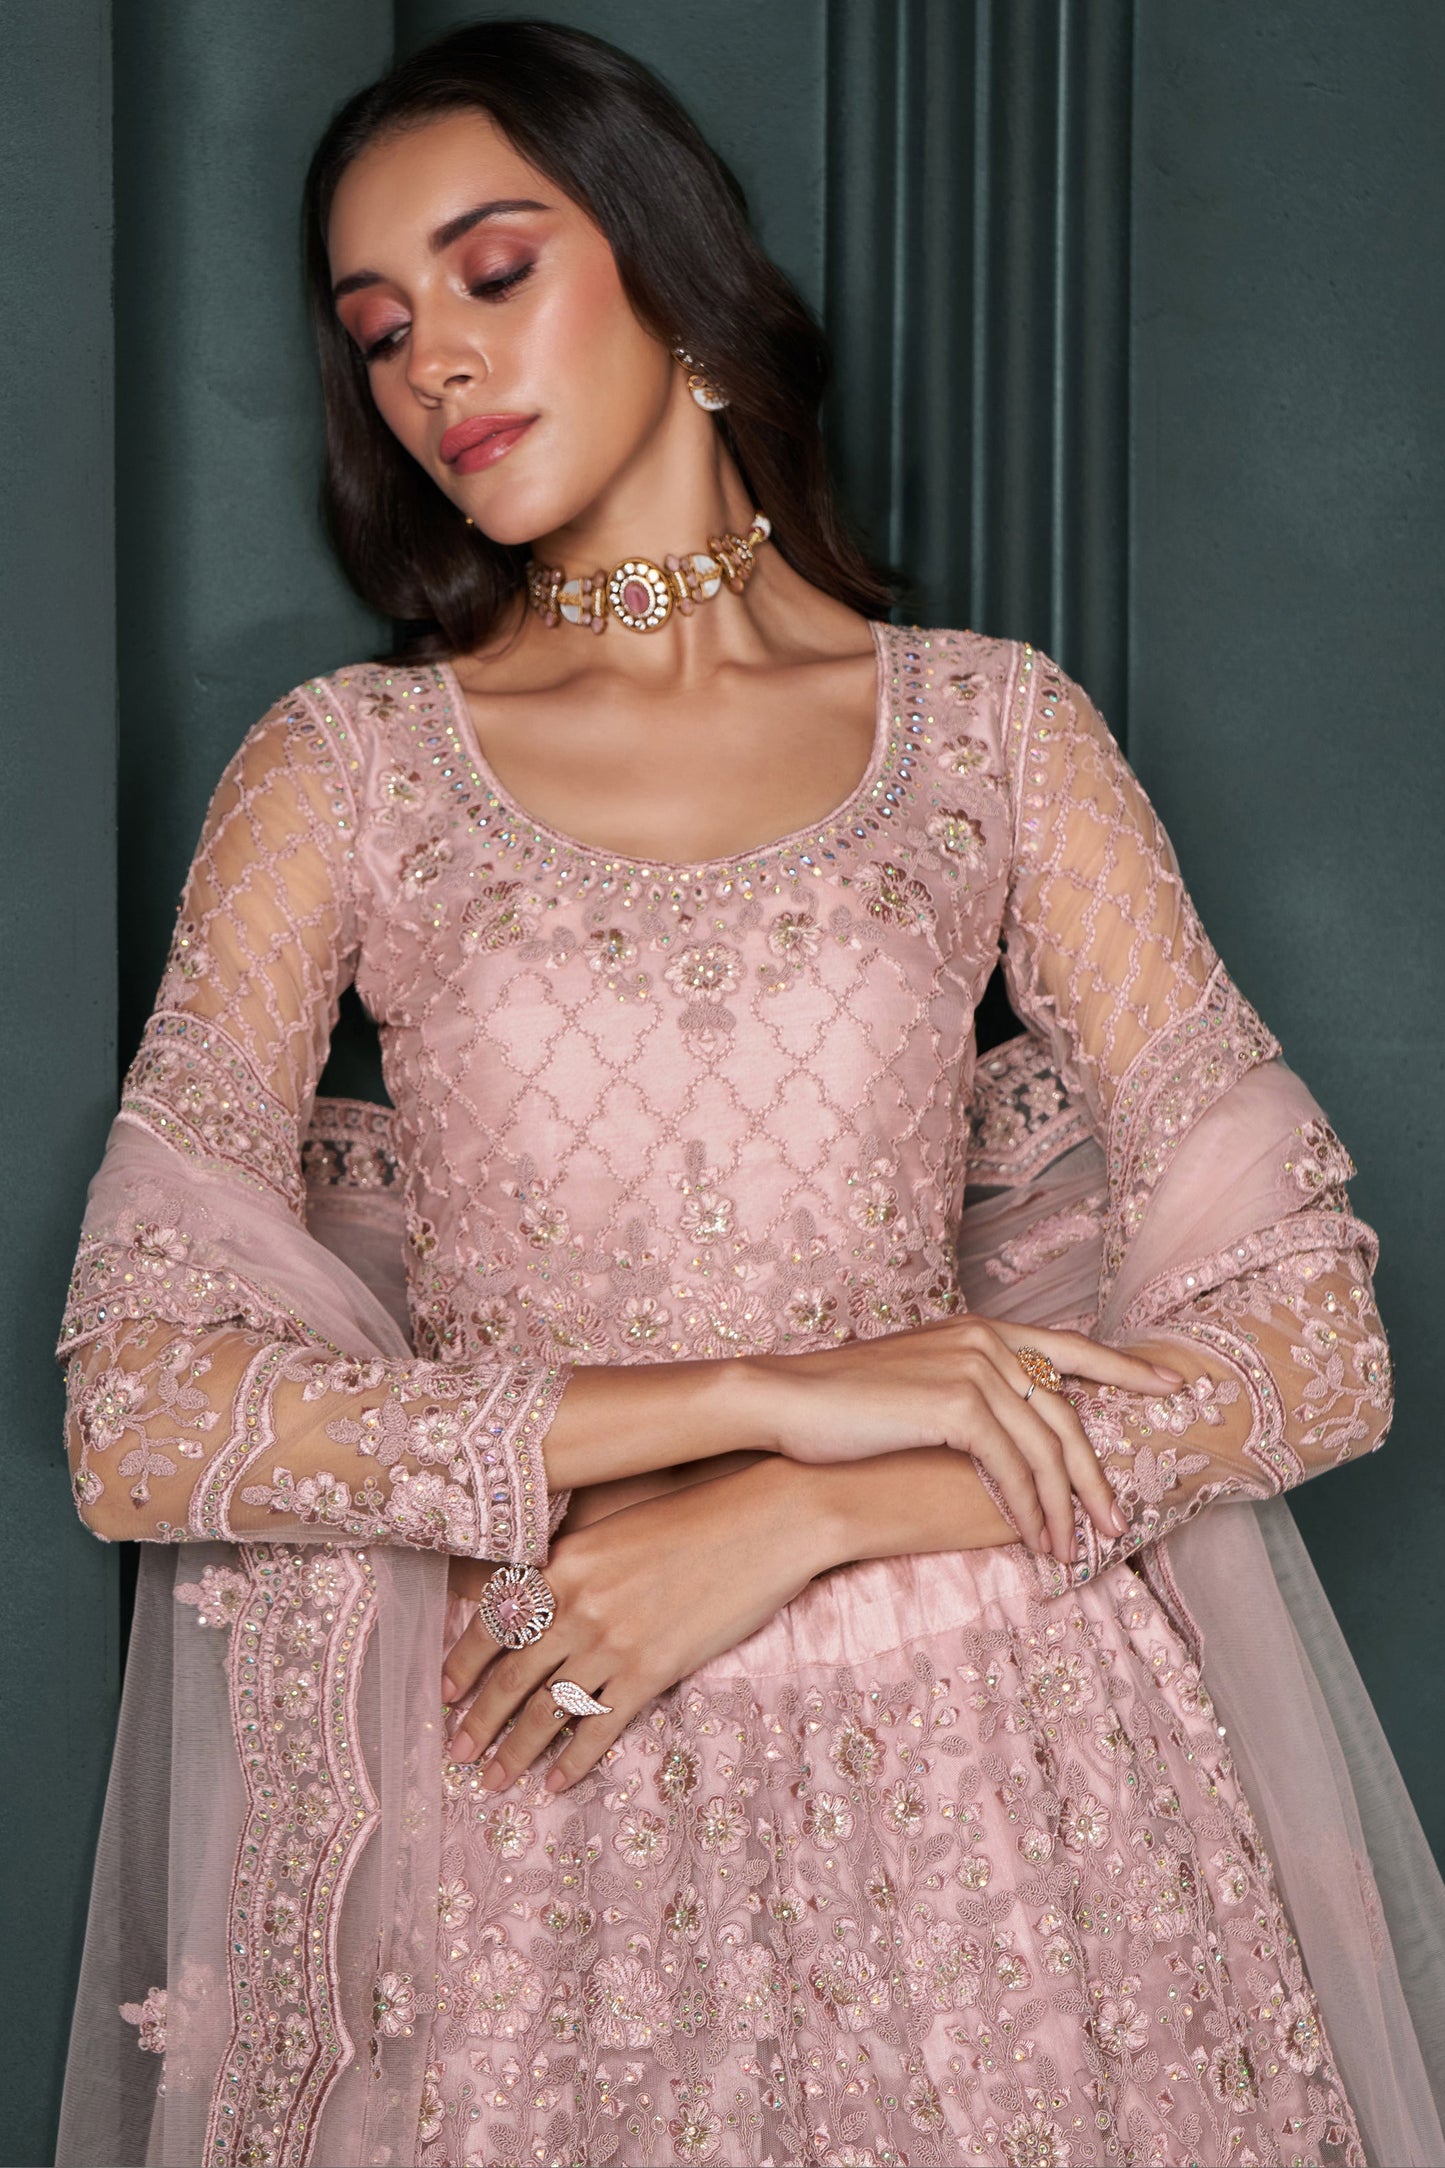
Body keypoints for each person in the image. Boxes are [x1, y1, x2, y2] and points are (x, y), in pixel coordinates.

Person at [53, 20, 1445, 2168]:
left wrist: (806, 1508)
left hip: (997, 1781)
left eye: (491, 270)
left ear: (673, 272)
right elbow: (141, 1407)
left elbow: (1314, 1343)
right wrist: (775, 1398)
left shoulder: (989, 736)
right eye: (380, 328)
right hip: (537, 1756)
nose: (433, 365)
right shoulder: (346, 775)